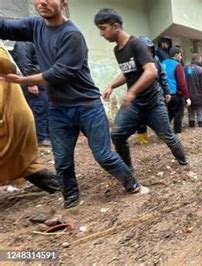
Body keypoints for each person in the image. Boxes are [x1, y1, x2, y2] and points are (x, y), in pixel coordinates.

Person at [0, 0, 142, 209]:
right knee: (62, 161)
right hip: (59, 108)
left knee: (103, 155)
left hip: (87, 106)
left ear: (63, 2)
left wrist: (22, 80)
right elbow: (5, 27)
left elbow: (61, 73)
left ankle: (133, 185)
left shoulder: (71, 34)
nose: (43, 2)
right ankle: (71, 202)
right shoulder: (36, 26)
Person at [94, 9, 189, 169]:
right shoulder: (118, 50)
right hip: (134, 105)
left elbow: (151, 71)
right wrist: (111, 85)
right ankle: (128, 169)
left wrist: (131, 92)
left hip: (153, 103)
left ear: (115, 26)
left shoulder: (136, 44)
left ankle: (184, 162)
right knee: (117, 135)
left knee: (167, 136)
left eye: (103, 28)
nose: (101, 34)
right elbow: (127, 73)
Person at [0, 43, 59, 194]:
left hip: (11, 117)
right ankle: (61, 187)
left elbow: (9, 66)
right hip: (14, 116)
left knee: (23, 161)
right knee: (25, 163)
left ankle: (64, 188)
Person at [11, 41, 50, 146]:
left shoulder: (36, 40)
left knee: (45, 106)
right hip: (32, 80)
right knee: (38, 108)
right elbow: (23, 63)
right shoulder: (24, 43)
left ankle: (46, 135)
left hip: (41, 78)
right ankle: (40, 137)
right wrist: (31, 83)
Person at [135, 36, 172, 145]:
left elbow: (163, 76)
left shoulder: (155, 61)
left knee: (160, 117)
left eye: (149, 49)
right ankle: (143, 141)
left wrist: (167, 92)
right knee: (140, 120)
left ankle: (164, 137)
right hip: (139, 95)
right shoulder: (135, 61)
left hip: (155, 94)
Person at [163, 47, 190, 133]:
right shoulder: (177, 65)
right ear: (176, 55)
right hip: (176, 94)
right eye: (180, 55)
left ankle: (164, 132)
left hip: (165, 94)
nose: (181, 57)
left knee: (168, 114)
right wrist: (187, 97)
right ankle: (177, 132)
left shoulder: (162, 63)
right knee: (178, 114)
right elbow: (182, 83)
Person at [184, 53, 202, 128]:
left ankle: (191, 124)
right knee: (200, 111)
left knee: (190, 111)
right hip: (198, 95)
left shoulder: (185, 68)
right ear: (198, 59)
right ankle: (201, 125)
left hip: (188, 95)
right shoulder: (201, 70)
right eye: (201, 59)